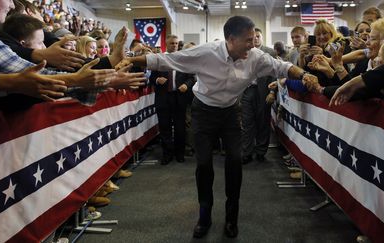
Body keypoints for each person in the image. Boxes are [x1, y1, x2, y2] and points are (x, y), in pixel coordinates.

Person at [116, 15, 318, 239]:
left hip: (231, 113)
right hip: (203, 112)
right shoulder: (205, 52)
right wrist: (131, 60)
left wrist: (305, 75)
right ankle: (204, 216)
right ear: (231, 39)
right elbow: (165, 60)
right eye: (248, 40)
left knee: (234, 160)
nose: (253, 44)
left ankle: (231, 218)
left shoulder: (256, 57)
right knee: (203, 165)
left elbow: (283, 67)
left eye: (254, 39)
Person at [149, 35, 195, 164]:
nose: (174, 45)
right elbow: (151, 78)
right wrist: (157, 79)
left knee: (180, 128)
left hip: (179, 97)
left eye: (176, 43)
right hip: (163, 97)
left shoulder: (183, 60)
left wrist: (187, 84)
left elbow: (191, 78)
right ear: (166, 44)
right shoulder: (159, 59)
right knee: (165, 127)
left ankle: (179, 154)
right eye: (171, 43)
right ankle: (167, 154)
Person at [241, 27, 277, 164]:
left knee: (263, 122)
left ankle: (261, 151)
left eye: (258, 36)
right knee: (247, 123)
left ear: (261, 38)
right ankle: (247, 152)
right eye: (252, 37)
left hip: (265, 90)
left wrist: (273, 92)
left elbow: (276, 72)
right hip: (247, 90)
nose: (255, 39)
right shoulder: (243, 52)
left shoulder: (270, 52)